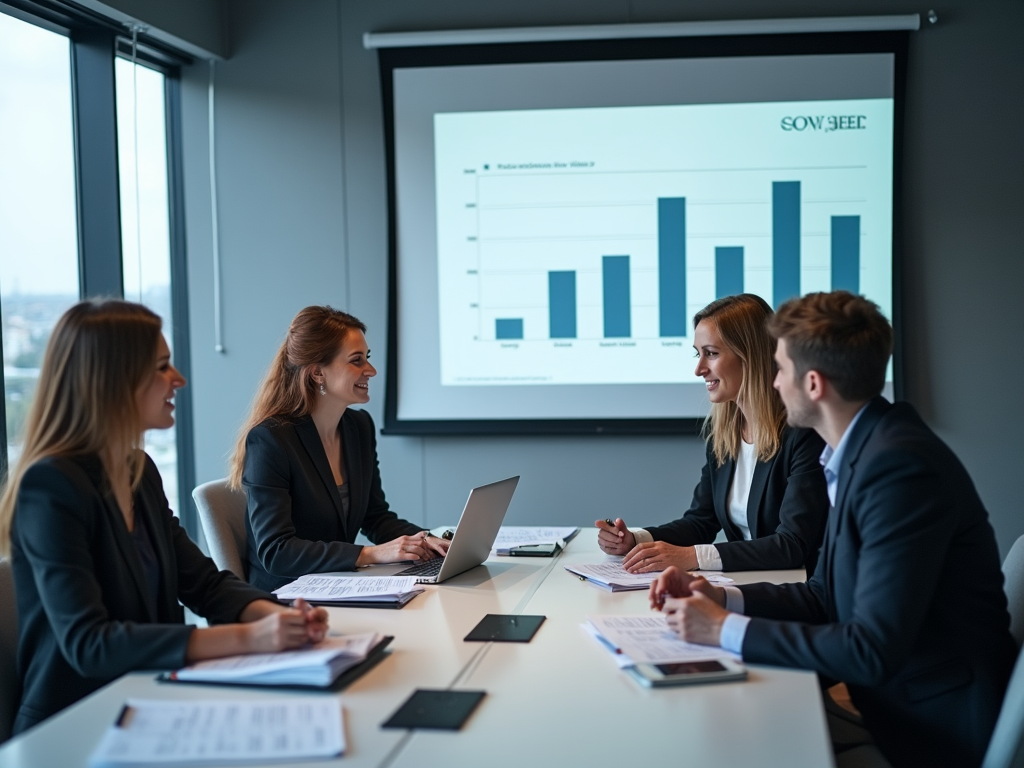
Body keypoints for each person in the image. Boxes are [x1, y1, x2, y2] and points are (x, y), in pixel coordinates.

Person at [650, 291, 1015, 768]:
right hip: (892, 699)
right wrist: (721, 599)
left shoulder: (900, 471)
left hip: (928, 725)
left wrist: (725, 630)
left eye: (779, 369)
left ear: (814, 384)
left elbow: (869, 651)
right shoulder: (863, 452)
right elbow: (822, 594)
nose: (773, 383)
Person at [1, 300, 329, 735]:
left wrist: (276, 615)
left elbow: (203, 584)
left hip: (149, 702)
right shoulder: (49, 487)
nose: (179, 379)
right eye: (161, 367)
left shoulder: (137, 471)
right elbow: (90, 644)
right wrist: (251, 638)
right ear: (111, 381)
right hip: (74, 725)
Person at [596, 294, 828, 573]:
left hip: (797, 593)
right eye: (698, 353)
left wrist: (693, 557)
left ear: (750, 355)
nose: (699, 369)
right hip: (749, 584)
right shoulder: (725, 436)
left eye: (712, 353)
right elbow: (701, 521)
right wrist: (635, 540)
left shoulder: (804, 435)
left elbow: (792, 545)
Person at [230, 306, 448, 592]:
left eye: (366, 358)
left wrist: (427, 539)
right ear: (318, 373)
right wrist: (369, 554)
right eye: (356, 361)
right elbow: (276, 552)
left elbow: (375, 516)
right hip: (288, 595)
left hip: (340, 583)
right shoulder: (271, 439)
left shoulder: (358, 427)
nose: (371, 370)